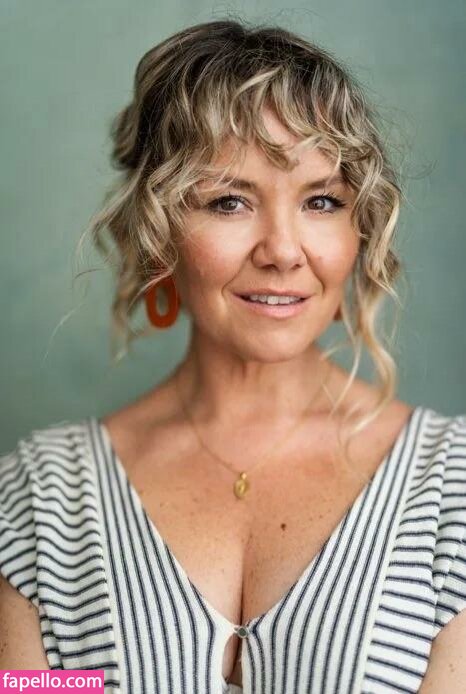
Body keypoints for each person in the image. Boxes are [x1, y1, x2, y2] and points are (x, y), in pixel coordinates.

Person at [1, 18, 465, 694]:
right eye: (229, 202)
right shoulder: (39, 499)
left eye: (322, 201)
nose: (283, 250)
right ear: (159, 234)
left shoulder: (452, 488)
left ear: (359, 232)